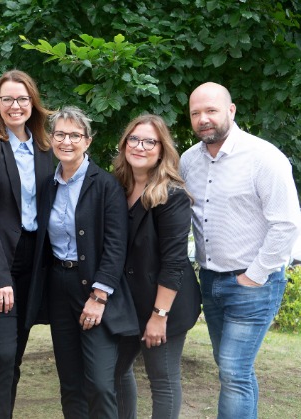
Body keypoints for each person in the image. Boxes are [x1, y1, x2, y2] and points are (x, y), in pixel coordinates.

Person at [180, 82, 300, 418]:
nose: (204, 119)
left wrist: (255, 275)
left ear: (231, 111)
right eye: (196, 113)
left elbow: (287, 223)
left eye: (211, 110)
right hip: (211, 281)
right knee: (233, 369)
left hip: (253, 284)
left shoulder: (264, 158)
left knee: (233, 371)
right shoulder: (189, 161)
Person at [26, 106, 138, 418]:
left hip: (95, 289)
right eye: (60, 134)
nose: (66, 141)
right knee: (70, 383)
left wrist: (100, 296)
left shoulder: (106, 185)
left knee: (101, 384)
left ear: (87, 142)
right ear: (51, 139)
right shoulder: (47, 185)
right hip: (59, 287)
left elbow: (117, 245)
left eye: (75, 135)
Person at [0, 69, 54, 418]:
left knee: (15, 353)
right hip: (0, 261)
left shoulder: (46, 148)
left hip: (35, 261)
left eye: (22, 98)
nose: (15, 105)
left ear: (33, 102)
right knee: (2, 353)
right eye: (7, 99)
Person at [112, 114, 202, 419]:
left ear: (161, 150)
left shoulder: (172, 196)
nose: (140, 146)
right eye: (133, 139)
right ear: (124, 145)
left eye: (149, 141)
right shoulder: (116, 188)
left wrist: (158, 317)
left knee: (161, 378)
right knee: (115, 371)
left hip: (166, 304)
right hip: (127, 303)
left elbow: (175, 262)